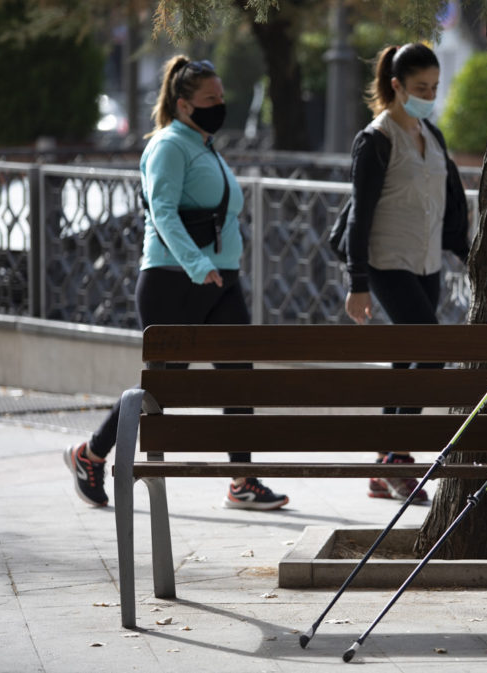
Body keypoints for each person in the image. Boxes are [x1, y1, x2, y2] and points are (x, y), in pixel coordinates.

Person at [63, 55, 288, 511]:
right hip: (173, 278)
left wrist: (220, 266)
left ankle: (242, 478)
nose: (219, 105)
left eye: (221, 97)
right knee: (164, 387)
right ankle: (91, 453)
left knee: (238, 379)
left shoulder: (204, 145)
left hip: (221, 280)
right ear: (185, 104)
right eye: (211, 98)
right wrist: (194, 262)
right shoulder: (168, 145)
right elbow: (161, 212)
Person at [342, 43, 469, 504]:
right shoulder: (375, 139)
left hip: (427, 264)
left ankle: (383, 465)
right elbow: (360, 215)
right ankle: (397, 458)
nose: (429, 95)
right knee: (431, 350)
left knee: (405, 361)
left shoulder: (431, 134)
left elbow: (446, 200)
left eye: (434, 87)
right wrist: (357, 283)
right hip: (387, 263)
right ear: (396, 86)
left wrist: (465, 252)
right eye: (420, 88)